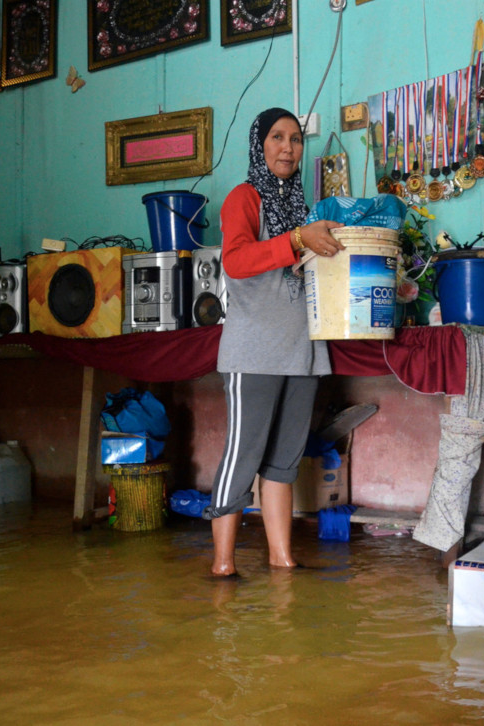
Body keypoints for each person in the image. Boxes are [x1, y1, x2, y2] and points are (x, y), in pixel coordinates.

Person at [203, 107, 344, 577]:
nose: (289, 147)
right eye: (278, 137)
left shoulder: (302, 206)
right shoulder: (244, 198)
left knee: (284, 460)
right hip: (255, 350)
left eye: (296, 139)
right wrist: (298, 239)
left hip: (302, 351)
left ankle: (281, 558)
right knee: (243, 454)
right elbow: (237, 262)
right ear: (259, 145)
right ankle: (223, 564)